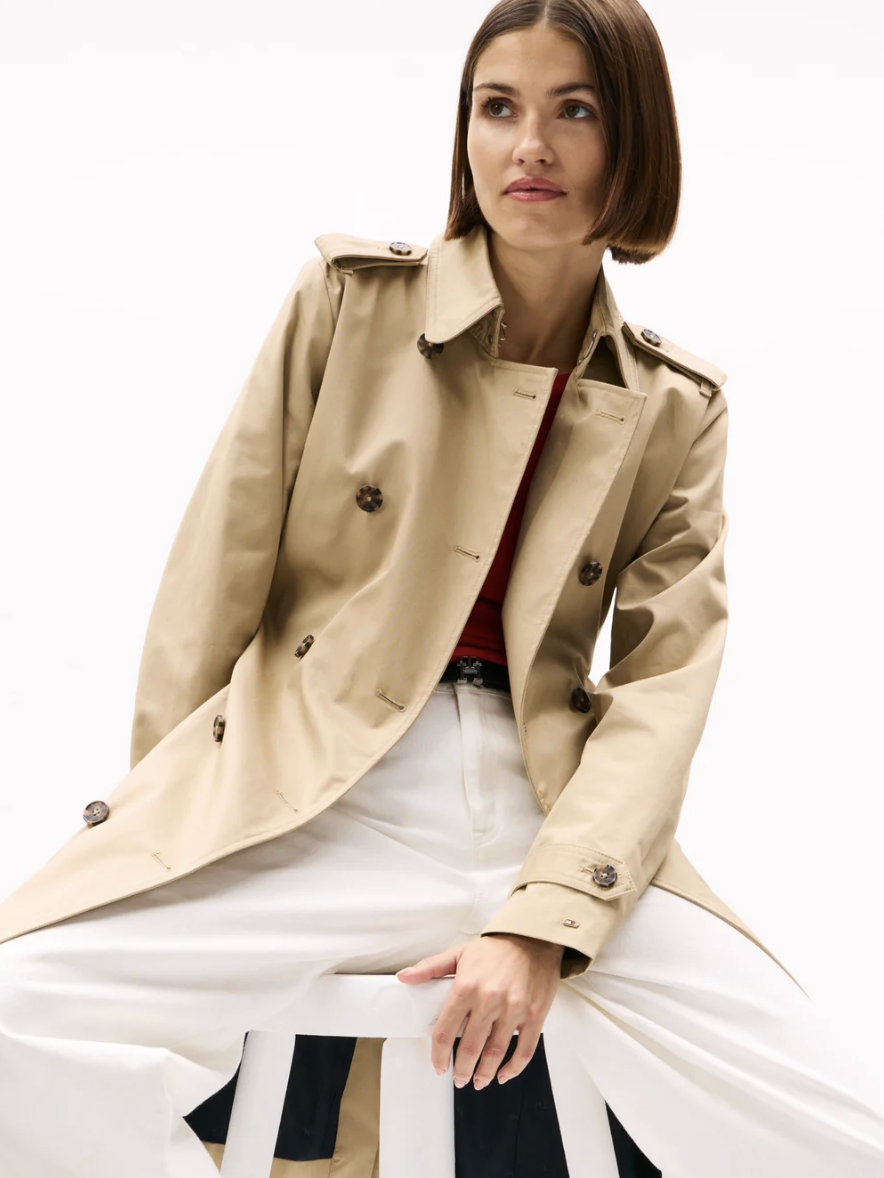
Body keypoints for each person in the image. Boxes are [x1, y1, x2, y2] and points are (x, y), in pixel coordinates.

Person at [0, 2, 882, 1176]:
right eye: (497, 107)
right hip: (322, 790)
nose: (529, 146)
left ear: (635, 146)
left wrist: (541, 920)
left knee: (834, 1132)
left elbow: (665, 686)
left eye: (575, 110)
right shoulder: (350, 301)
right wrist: (183, 819)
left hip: (550, 807)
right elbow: (212, 583)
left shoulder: (677, 403)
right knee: (15, 1013)